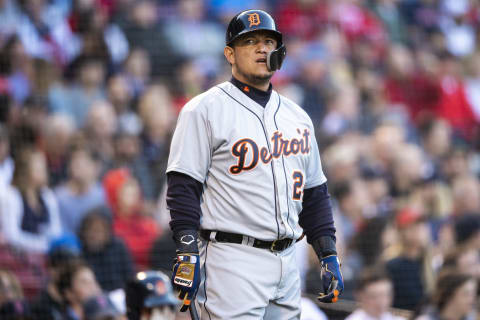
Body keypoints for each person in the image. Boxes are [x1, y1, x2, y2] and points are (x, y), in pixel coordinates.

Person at [166, 9, 343, 319]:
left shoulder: (297, 116)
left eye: (268, 41)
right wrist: (186, 249)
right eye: (250, 41)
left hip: (289, 261)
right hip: (232, 260)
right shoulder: (203, 110)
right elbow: (184, 186)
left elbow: (315, 192)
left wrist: (327, 253)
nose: (262, 48)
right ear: (230, 54)